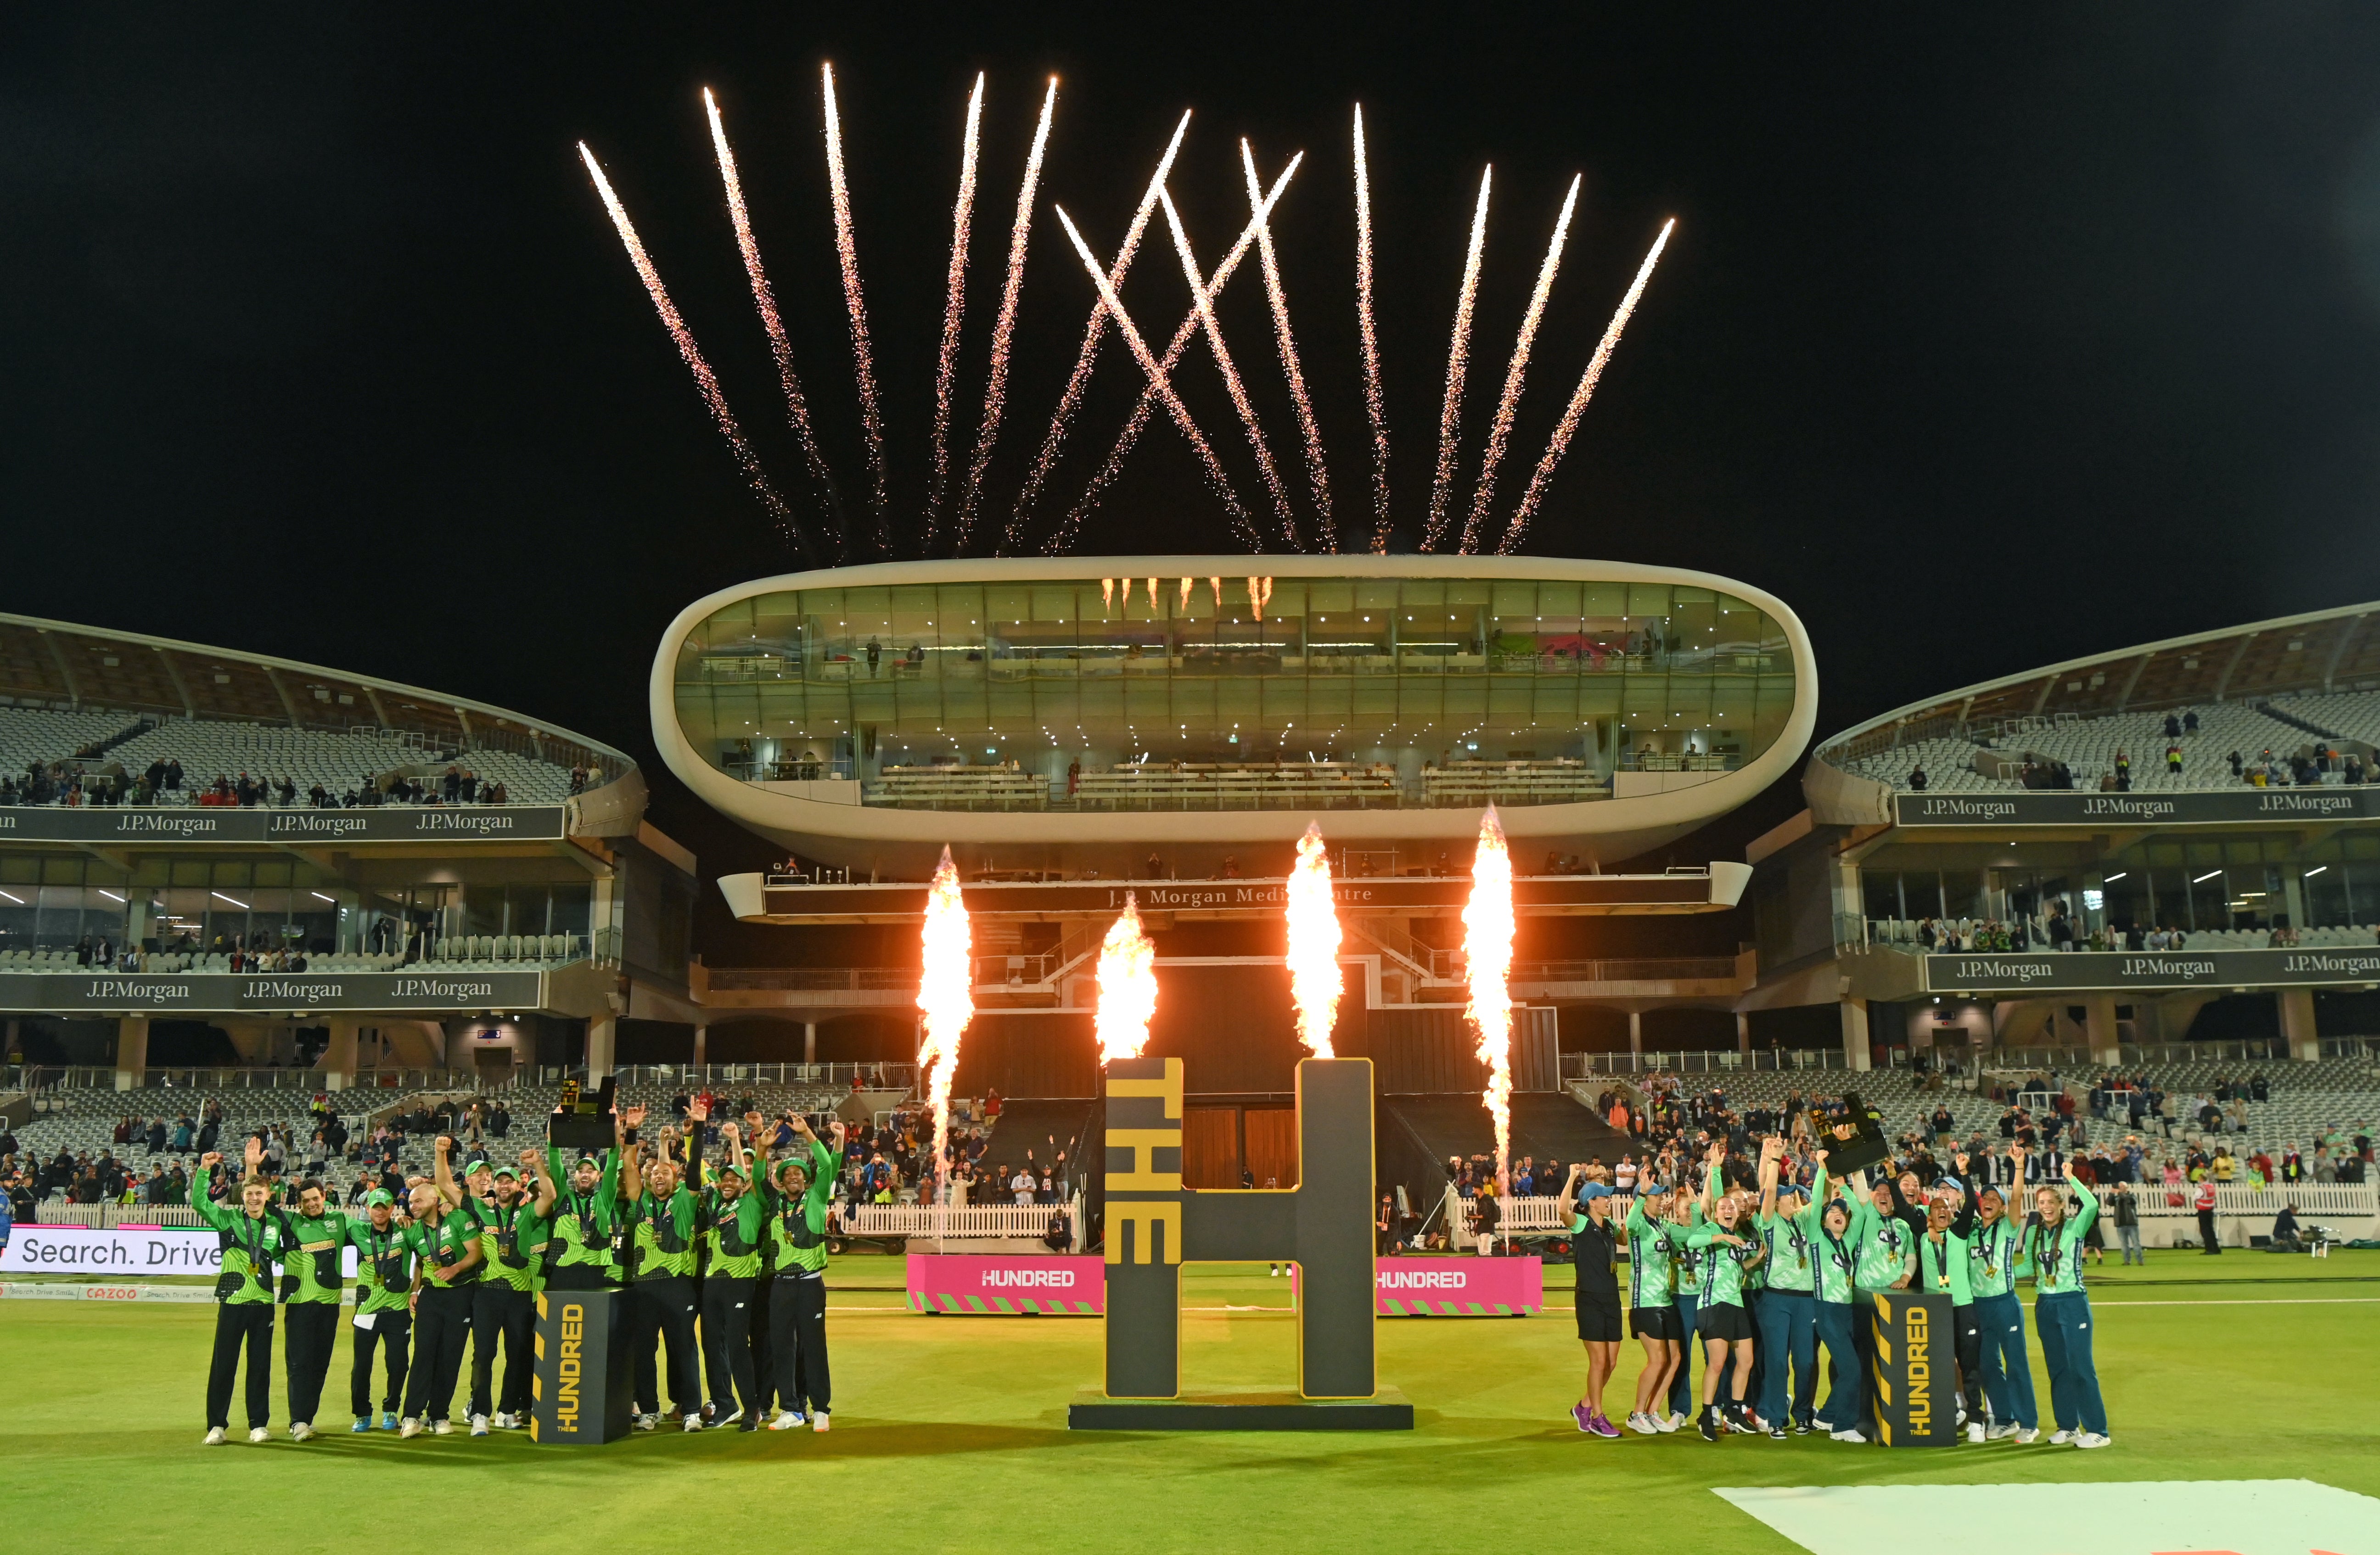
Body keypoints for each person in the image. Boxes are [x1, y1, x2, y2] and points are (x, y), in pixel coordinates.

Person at [191, 1140, 289, 1445]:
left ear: (268, 1196)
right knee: (224, 1365)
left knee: (260, 1367)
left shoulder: (277, 1223)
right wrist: (204, 1172)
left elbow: (289, 1255)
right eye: (249, 1194)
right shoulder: (229, 1220)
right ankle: (216, 1425)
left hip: (262, 1303)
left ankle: (258, 1424)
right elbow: (200, 1204)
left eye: (260, 1194)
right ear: (242, 1197)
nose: (254, 1198)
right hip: (233, 1302)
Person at [617, 1102, 704, 1432]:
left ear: (676, 1178)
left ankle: (692, 1410)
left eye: (665, 1173)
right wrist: (633, 1131)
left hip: (675, 1283)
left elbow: (694, 1171)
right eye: (654, 1174)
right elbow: (628, 1165)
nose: (658, 1177)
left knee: (684, 1349)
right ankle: (650, 1410)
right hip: (643, 1286)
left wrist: (697, 1128)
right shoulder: (641, 1199)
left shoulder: (684, 1200)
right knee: (644, 1352)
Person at [2016, 1149, 2111, 1447]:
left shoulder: (2074, 1227)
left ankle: (2098, 1431)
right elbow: (2029, 1267)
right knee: (2057, 1369)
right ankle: (2068, 1426)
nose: (2046, 1207)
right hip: (2045, 1304)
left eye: (2050, 1202)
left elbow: (2093, 1204)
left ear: (2061, 1205)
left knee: (2081, 1367)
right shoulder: (2032, 1232)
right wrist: (1996, 1274)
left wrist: (2072, 1178)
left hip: (2072, 1302)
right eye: (2041, 1203)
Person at [760, 1113, 845, 1432]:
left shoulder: (816, 1197)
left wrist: (808, 1132)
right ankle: (792, 1410)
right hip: (781, 1285)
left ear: (805, 1178)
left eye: (798, 1172)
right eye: (787, 1173)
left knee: (813, 1345)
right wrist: (764, 1147)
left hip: (810, 1284)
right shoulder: (775, 1203)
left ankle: (821, 1408)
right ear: (780, 1180)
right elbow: (757, 1178)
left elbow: (827, 1165)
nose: (793, 1176)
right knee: (782, 1347)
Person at [398, 1137, 483, 1438]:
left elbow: (476, 1253)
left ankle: (439, 1415)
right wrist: (415, 1290)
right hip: (432, 1297)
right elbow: (420, 1263)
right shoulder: (412, 1231)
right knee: (423, 1355)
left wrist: (455, 1268)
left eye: (418, 1201)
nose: (413, 1206)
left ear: (435, 1200)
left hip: (462, 1293)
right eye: (410, 1203)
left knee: (451, 1356)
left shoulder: (459, 1217)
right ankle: (411, 1415)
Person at [455, 1150, 544, 1435]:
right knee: (484, 1354)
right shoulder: (480, 1208)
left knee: (517, 1354)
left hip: (519, 1294)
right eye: (500, 1181)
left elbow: (551, 1196)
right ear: (494, 1185)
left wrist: (538, 1164)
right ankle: (480, 1412)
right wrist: (440, 1153)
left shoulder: (528, 1213)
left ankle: (506, 1411)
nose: (504, 1186)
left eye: (510, 1182)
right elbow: (446, 1187)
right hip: (487, 1293)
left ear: (519, 1186)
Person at [1684, 1145, 1764, 1441]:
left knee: (1746, 1361)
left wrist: (1753, 1262)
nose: (1729, 1209)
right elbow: (1692, 1242)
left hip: (1735, 1303)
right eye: (1723, 1207)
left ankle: (1734, 1409)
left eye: (1732, 1207)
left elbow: (1735, 1269)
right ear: (1716, 1213)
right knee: (1717, 1364)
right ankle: (1706, 1414)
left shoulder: (1736, 1237)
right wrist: (1721, 1234)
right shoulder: (1709, 1231)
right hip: (1714, 1304)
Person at [1964, 1159, 2040, 1441]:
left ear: (2003, 1207)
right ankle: (2006, 1419)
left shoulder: (2007, 1228)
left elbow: (2018, 1196)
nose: (1989, 1200)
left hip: (2005, 1305)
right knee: (1987, 1365)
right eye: (1986, 1197)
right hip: (1979, 1307)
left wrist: (2019, 1167)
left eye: (1996, 1199)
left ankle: (2029, 1422)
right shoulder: (1971, 1230)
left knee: (2016, 1363)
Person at [700, 1120, 766, 1430]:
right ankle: (725, 1405)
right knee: (712, 1345)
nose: (728, 1181)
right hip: (712, 1282)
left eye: (735, 1179)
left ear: (745, 1184)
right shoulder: (715, 1201)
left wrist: (736, 1140)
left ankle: (752, 1408)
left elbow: (745, 1172)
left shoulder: (751, 1203)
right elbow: (704, 1171)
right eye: (724, 1178)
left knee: (738, 1346)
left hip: (740, 1283)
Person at [1755, 1140, 1824, 1438]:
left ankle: (1804, 1414)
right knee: (1778, 1362)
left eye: (1793, 1195)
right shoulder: (1770, 1222)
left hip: (1805, 1300)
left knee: (1807, 1361)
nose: (1791, 1197)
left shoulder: (1805, 1222)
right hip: (1777, 1298)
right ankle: (1776, 1418)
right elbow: (1769, 1191)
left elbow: (1819, 1200)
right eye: (1788, 1195)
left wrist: (1822, 1169)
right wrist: (1773, 1161)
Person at [278, 1174, 353, 1441]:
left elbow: (375, 1230)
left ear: (324, 1197)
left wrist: (400, 1221)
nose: (312, 1204)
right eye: (306, 1200)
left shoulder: (341, 1221)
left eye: (316, 1198)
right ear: (299, 1203)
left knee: (320, 1365)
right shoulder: (289, 1221)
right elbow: (259, 1207)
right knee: (299, 1363)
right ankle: (298, 1421)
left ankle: (305, 1419)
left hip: (330, 1304)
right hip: (299, 1303)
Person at [345, 1188, 414, 1432]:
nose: (380, 1211)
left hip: (397, 1310)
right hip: (366, 1312)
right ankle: (362, 1414)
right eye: (376, 1206)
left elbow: (425, 1255)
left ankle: (391, 1410)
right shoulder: (358, 1230)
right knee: (361, 1367)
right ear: (367, 1208)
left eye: (385, 1206)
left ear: (392, 1207)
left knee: (397, 1365)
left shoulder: (406, 1231)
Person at [1621, 1180, 1685, 1434]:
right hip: (1645, 1301)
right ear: (1644, 1200)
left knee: (1675, 1358)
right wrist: (1643, 1194)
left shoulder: (1664, 1226)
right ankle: (1636, 1414)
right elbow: (1630, 1224)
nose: (1662, 1200)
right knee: (1657, 1360)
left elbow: (1691, 1235)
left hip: (1665, 1299)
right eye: (1656, 1197)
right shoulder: (1639, 1227)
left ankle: (1652, 1411)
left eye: (1661, 1195)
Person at [1562, 1169, 1622, 1438]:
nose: (1609, 1201)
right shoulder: (1581, 1224)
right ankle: (1598, 1416)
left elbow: (1626, 1238)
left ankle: (1584, 1407)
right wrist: (1573, 1177)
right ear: (1592, 1203)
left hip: (1612, 1297)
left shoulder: (1609, 1226)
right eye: (1604, 1198)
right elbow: (1563, 1209)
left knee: (1611, 1363)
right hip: (1589, 1298)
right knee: (1598, 1362)